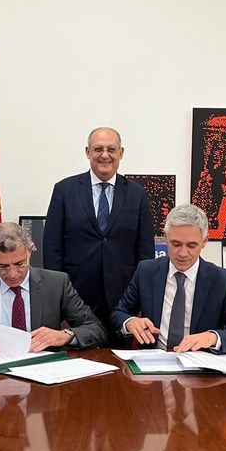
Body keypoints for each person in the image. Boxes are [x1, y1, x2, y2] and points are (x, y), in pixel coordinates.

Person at [43, 127, 155, 335]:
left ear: (121, 153)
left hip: (123, 303)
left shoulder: (137, 194)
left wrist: (138, 299)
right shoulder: (64, 190)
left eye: (111, 149)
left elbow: (145, 252)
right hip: (75, 299)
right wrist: (59, 302)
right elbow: (52, 249)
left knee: (119, 356)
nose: (105, 155)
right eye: (98, 149)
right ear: (88, 152)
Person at [0, 222, 107, 364]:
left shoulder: (57, 284)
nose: (12, 274)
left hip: (43, 378)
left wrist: (65, 336)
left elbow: (97, 330)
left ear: (30, 250)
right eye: (3, 266)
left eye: (19, 264)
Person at [111, 204, 226, 353]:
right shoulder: (146, 271)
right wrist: (130, 322)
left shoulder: (222, 280)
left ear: (205, 241)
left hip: (199, 362)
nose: (183, 253)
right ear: (165, 237)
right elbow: (119, 313)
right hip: (153, 360)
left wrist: (212, 337)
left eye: (192, 246)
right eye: (176, 244)